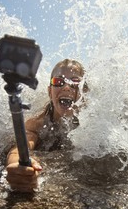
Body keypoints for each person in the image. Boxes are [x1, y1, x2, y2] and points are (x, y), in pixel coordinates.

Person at [5, 59, 87, 192]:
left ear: (84, 92)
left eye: (75, 82)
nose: (66, 87)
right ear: (50, 92)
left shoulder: (93, 124)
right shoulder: (37, 124)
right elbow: (20, 148)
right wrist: (18, 164)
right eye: (58, 82)